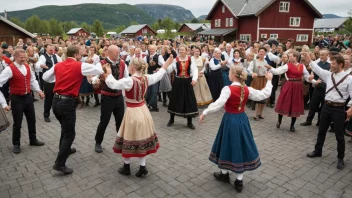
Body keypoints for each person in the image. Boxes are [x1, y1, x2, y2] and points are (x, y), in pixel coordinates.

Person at [199, 65, 273, 192]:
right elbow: (263, 94)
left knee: (227, 144)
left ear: (233, 75)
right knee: (240, 145)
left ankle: (225, 174)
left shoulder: (227, 89)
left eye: (229, 73)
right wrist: (270, 81)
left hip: (230, 120)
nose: (228, 74)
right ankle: (238, 180)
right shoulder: (246, 89)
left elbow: (218, 104)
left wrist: (205, 112)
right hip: (242, 120)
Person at [104, 55, 173, 177]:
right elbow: (158, 76)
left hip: (132, 112)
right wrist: (165, 65)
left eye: (130, 65)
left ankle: (126, 167)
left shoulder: (130, 81)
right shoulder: (146, 78)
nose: (128, 67)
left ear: (133, 67)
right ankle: (142, 167)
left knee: (128, 138)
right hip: (143, 111)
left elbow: (113, 84)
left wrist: (108, 73)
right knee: (142, 138)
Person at [43, 45, 104, 174]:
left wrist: (59, 79)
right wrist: (94, 64)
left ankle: (64, 149)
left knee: (65, 129)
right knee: (70, 134)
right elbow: (99, 71)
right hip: (67, 102)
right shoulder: (79, 65)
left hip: (56, 101)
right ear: (76, 54)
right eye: (81, 53)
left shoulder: (58, 65)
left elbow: (45, 77)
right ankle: (59, 163)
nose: (82, 55)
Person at [303, 53, 352, 170]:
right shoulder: (328, 75)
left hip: (339, 109)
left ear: (340, 64)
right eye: (331, 63)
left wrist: (351, 108)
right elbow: (317, 69)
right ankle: (317, 150)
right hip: (326, 107)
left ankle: (341, 158)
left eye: (334, 64)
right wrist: (310, 60)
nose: (331, 66)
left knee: (339, 135)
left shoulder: (349, 79)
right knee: (321, 131)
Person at [0, 49, 45, 154]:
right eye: (21, 57)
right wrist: (4, 103)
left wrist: (39, 91)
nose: (24, 59)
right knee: (17, 123)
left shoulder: (28, 66)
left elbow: (32, 80)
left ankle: (33, 140)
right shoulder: (9, 69)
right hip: (17, 99)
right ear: (15, 57)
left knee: (32, 120)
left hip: (28, 97)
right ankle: (16, 144)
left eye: (25, 57)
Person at [92, 45, 129, 153]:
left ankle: (120, 143)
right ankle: (98, 142)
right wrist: (95, 81)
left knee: (120, 121)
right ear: (110, 53)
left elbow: (126, 78)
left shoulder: (122, 63)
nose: (118, 54)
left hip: (118, 97)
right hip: (107, 97)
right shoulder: (101, 64)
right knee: (104, 121)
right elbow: (95, 77)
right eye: (116, 52)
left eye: (119, 52)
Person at [265, 51, 311, 132]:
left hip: (297, 87)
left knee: (295, 105)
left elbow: (307, 77)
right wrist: (270, 67)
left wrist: (312, 79)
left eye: (291, 56)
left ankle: (292, 125)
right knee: (284, 102)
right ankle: (279, 121)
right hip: (289, 86)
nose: (289, 57)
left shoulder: (302, 66)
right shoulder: (287, 65)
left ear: (296, 57)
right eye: (289, 56)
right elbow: (277, 71)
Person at [167, 45, 198, 129]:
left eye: (182, 50)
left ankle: (189, 122)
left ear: (186, 50)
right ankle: (171, 119)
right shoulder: (175, 60)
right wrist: (168, 63)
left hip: (187, 81)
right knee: (174, 99)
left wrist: (194, 79)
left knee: (189, 100)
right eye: (179, 50)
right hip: (178, 81)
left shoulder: (190, 59)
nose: (181, 51)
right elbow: (169, 70)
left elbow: (195, 70)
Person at [300, 50, 331, 126]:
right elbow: (313, 71)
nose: (321, 56)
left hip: (325, 88)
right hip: (317, 86)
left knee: (323, 106)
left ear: (327, 55)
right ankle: (309, 120)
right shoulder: (317, 63)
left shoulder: (330, 65)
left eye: (323, 55)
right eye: (320, 55)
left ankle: (320, 122)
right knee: (313, 104)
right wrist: (312, 75)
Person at [36, 44, 62, 122]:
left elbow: (62, 62)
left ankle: (58, 113)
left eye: (52, 50)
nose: (52, 52)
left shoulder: (55, 56)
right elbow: (38, 64)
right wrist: (43, 66)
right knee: (48, 98)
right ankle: (46, 115)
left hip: (56, 80)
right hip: (48, 81)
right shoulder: (43, 56)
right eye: (50, 50)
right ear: (46, 49)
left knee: (57, 98)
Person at [247, 47, 269, 120]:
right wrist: (252, 73)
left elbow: (267, 71)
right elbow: (249, 70)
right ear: (258, 53)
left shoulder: (266, 62)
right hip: (257, 80)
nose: (261, 53)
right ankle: (255, 114)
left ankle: (260, 113)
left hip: (264, 80)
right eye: (260, 52)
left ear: (265, 53)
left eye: (263, 52)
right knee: (257, 96)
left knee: (264, 96)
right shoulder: (254, 61)